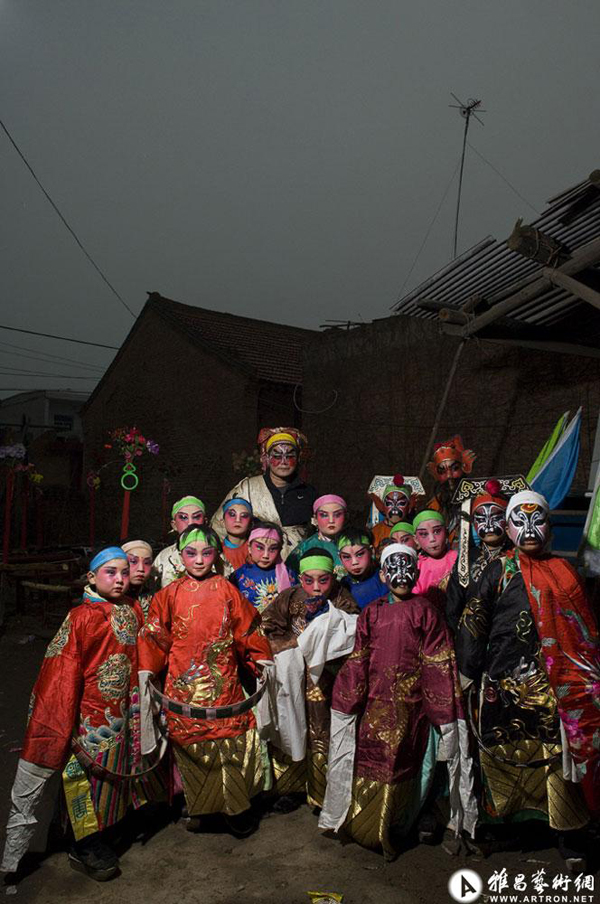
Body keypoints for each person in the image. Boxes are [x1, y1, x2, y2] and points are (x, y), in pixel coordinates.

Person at [455, 490, 600, 872]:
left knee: (557, 758)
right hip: (503, 685)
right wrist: (468, 673)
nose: (530, 530)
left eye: (538, 521)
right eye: (520, 521)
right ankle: (505, 828)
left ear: (549, 527)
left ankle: (569, 834)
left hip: (556, 687)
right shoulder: (498, 571)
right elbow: (474, 621)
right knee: (502, 754)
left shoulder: (566, 572)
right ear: (508, 529)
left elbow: (584, 629)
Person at [2, 547, 152, 882]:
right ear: (91, 578)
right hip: (89, 722)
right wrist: (64, 721)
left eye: (124, 572)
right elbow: (61, 674)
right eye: (110, 572)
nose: (119, 579)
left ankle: (103, 833)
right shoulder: (81, 617)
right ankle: (82, 845)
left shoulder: (132, 609)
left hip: (125, 713)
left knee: (114, 782)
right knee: (86, 782)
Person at [319, 543, 475, 859]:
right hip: (375, 705)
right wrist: (349, 697)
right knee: (372, 760)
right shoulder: (372, 612)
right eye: (394, 569)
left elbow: (437, 661)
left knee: (414, 764)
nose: (401, 576)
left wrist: (439, 706)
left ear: (416, 573)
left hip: (414, 708)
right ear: (383, 575)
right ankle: (368, 825)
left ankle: (403, 824)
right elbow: (359, 658)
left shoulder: (426, 612)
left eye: (407, 569)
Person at [138, 525, 273, 838]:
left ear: (216, 555)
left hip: (224, 684)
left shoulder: (227, 590)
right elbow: (155, 637)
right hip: (183, 687)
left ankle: (237, 808)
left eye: (206, 553)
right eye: (191, 553)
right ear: (180, 556)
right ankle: (200, 807)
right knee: (191, 747)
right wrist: (147, 670)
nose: (199, 560)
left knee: (232, 744)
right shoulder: (167, 595)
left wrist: (260, 657)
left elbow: (248, 628)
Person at [260, 549, 359, 808]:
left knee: (322, 732)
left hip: (326, 681)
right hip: (292, 678)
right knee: (290, 725)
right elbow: (268, 624)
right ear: (299, 578)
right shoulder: (289, 597)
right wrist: (289, 647)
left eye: (323, 580)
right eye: (308, 580)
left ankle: (322, 794)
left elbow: (352, 632)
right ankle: (290, 789)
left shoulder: (342, 599)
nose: (316, 587)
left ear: (333, 577)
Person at [211, 428, 317, 560]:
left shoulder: (308, 492)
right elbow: (218, 527)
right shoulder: (249, 488)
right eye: (277, 456)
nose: (283, 462)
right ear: (267, 458)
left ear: (298, 458)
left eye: (290, 456)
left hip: (299, 563)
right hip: (255, 564)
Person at [445, 480, 509, 634]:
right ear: (473, 523)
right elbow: (453, 606)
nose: (488, 525)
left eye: (495, 518)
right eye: (480, 519)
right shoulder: (467, 558)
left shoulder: (516, 558)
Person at [230, 523, 297, 613]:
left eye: (272, 549)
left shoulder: (289, 576)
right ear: (249, 547)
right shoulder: (237, 578)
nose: (266, 555)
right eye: (260, 547)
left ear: (280, 549)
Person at [426, 437, 476, 545]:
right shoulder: (434, 505)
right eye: (442, 471)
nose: (449, 476)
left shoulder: (477, 499)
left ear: (463, 468)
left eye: (455, 468)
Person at [286, 494, 347, 579]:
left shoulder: (355, 544)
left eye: (337, 515)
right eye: (324, 515)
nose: (331, 520)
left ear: (346, 516)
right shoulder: (305, 548)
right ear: (315, 519)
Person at [153, 496, 207, 588]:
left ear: (205, 522)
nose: (190, 523)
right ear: (174, 525)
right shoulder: (163, 557)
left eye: (196, 517)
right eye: (183, 517)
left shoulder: (217, 555)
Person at [412, 510, 457, 613]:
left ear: (446, 533)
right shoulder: (416, 566)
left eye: (437, 531)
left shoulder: (458, 559)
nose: (432, 539)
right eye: (424, 534)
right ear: (416, 539)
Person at [337, 528, 387, 610]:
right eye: (346, 557)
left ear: (371, 551)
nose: (354, 562)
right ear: (340, 558)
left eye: (360, 554)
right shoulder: (343, 586)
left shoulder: (383, 579)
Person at [369, 476, 415, 554]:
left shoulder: (414, 530)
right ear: (382, 506)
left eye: (401, 503)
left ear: (409, 507)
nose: (395, 509)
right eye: (389, 504)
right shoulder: (375, 532)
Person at [220, 497, 253, 576]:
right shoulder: (217, 552)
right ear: (223, 522)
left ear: (250, 523)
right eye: (232, 514)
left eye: (244, 516)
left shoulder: (257, 549)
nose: (238, 520)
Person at [122, 539, 154, 620]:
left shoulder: (155, 598)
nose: (141, 569)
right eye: (133, 561)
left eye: (147, 563)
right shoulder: (108, 597)